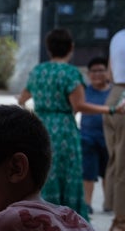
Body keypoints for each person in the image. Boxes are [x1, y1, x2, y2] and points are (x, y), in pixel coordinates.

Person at [18, 28, 121, 219]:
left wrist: (35, 115)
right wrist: (112, 109)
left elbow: (22, 99)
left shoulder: (38, 71)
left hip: (40, 128)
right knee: (66, 175)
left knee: (44, 173)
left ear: (48, 49)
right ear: (71, 48)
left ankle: (42, 217)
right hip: (64, 129)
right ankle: (66, 222)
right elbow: (79, 105)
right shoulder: (70, 73)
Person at [80, 56, 111, 212]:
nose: (97, 74)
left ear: (108, 72)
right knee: (88, 173)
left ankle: (109, 203)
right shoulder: (84, 90)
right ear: (88, 73)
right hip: (87, 138)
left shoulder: (115, 91)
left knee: (108, 172)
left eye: (101, 70)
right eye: (93, 71)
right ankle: (87, 204)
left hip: (109, 139)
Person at [105, 29, 125, 231]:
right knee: (123, 164)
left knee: (115, 158)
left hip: (114, 95)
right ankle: (120, 223)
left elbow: (110, 74)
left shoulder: (117, 36)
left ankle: (114, 210)